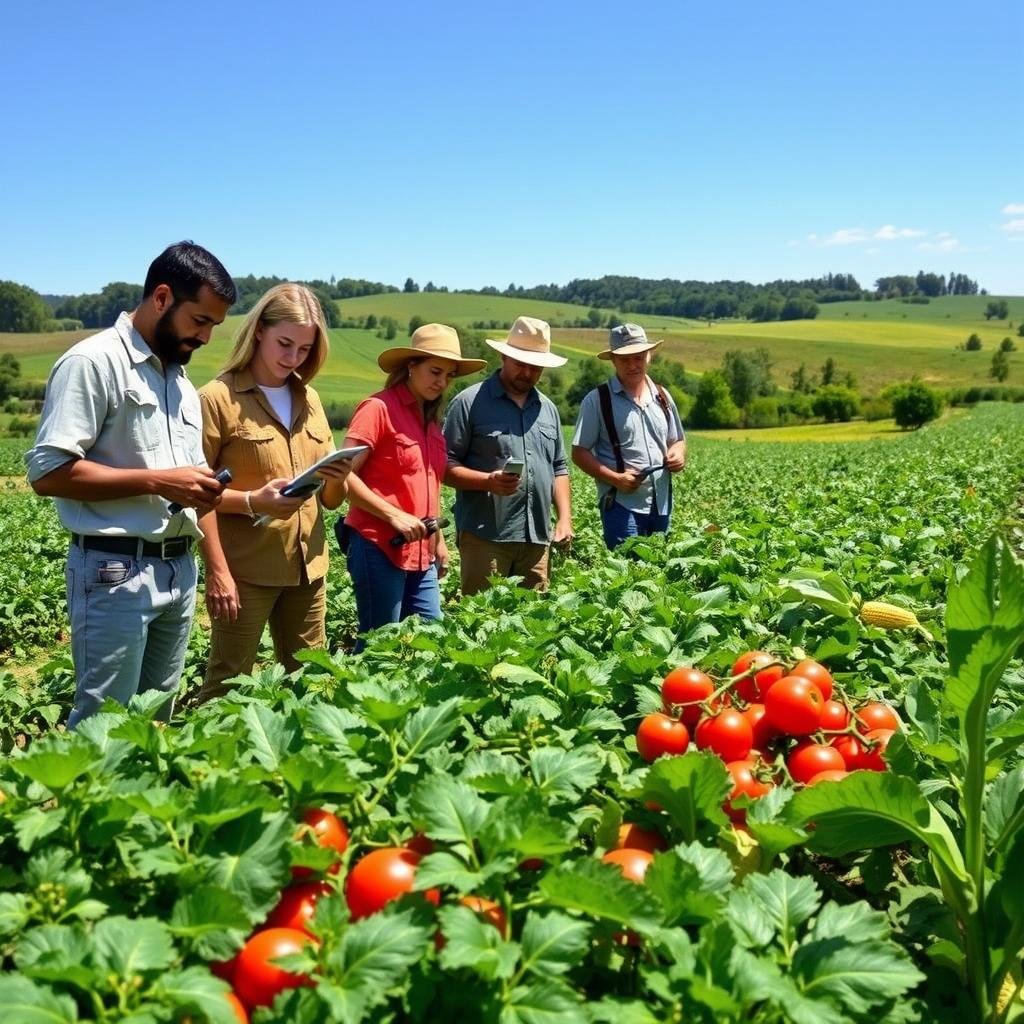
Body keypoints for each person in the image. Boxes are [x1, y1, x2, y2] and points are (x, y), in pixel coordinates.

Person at [25, 241, 235, 727]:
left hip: (176, 572)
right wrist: (160, 480)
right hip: (114, 571)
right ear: (162, 298)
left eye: (213, 326)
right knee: (106, 723)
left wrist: (201, 503)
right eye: (199, 321)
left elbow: (192, 482)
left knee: (153, 721)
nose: (205, 337)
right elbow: (48, 472)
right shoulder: (92, 363)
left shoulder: (180, 383)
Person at [193, 283, 352, 702]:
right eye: (285, 343)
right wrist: (250, 504)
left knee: (311, 679)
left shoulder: (310, 398)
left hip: (308, 567)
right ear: (259, 330)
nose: (292, 358)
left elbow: (332, 500)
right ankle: (205, 763)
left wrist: (338, 474)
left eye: (304, 349)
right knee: (229, 682)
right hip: (245, 572)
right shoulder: (217, 399)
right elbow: (195, 493)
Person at [339, 323, 485, 648]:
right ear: (410, 366)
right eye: (435, 371)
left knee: (432, 642)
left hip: (423, 552)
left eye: (449, 375)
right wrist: (392, 514)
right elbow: (341, 474)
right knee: (380, 646)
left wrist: (438, 540)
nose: (442, 382)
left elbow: (428, 485)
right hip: (379, 545)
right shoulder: (378, 409)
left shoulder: (431, 421)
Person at [443, 315, 573, 595]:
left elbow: (559, 467)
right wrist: (487, 481)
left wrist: (564, 519)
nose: (527, 373)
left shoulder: (547, 409)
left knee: (534, 628)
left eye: (535, 367)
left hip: (537, 538)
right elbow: (443, 465)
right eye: (520, 364)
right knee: (482, 623)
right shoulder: (469, 403)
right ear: (503, 357)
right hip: (485, 537)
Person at [571, 322, 686, 550]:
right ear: (613, 359)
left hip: (661, 501)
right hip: (621, 504)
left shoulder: (662, 396)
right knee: (628, 573)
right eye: (625, 359)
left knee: (657, 570)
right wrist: (616, 478)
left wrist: (678, 454)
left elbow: (678, 440)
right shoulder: (597, 400)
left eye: (639, 357)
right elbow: (579, 453)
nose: (633, 365)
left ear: (649, 356)